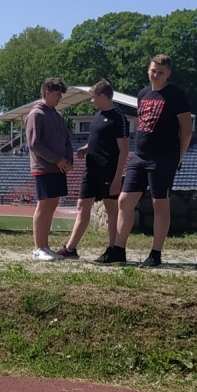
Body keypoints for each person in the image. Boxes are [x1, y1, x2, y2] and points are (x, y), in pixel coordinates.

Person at [110, 54, 193, 267]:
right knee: (124, 201)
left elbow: (186, 130)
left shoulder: (176, 95)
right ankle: (118, 249)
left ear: (168, 74)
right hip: (139, 155)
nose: (155, 75)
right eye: (153, 70)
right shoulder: (143, 94)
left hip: (164, 156)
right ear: (148, 69)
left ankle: (155, 253)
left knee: (159, 203)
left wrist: (179, 157)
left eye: (160, 72)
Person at [60, 81, 131, 261]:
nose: (91, 101)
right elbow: (98, 139)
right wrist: (86, 148)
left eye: (93, 97)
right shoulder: (98, 115)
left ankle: (114, 249)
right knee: (82, 205)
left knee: (111, 208)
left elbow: (124, 150)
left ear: (103, 96)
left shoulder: (119, 118)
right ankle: (70, 248)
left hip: (109, 170)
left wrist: (117, 179)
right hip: (91, 169)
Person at [24, 77, 73, 260]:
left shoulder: (57, 116)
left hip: (59, 168)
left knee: (52, 204)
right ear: (47, 92)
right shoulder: (36, 114)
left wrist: (68, 160)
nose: (60, 97)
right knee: (43, 205)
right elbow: (34, 143)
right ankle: (38, 248)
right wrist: (56, 159)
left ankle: (46, 246)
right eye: (57, 94)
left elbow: (67, 139)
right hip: (44, 167)